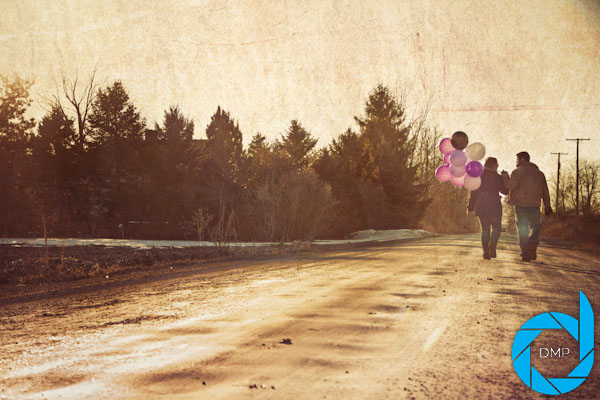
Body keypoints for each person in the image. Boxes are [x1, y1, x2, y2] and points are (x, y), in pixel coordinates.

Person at [501, 152, 552, 261]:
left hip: (520, 205)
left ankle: (525, 252)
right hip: (535, 204)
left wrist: (505, 177)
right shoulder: (540, 174)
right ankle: (532, 242)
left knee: (522, 228)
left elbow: (511, 186)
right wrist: (547, 206)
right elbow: (545, 191)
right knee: (535, 226)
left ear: (523, 159)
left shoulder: (517, 172)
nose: (516, 162)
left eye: (517, 159)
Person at [467, 157, 508, 259]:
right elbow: (505, 191)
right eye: (497, 164)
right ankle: (492, 244)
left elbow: (473, 192)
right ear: (493, 165)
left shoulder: (478, 176)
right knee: (496, 227)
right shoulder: (497, 177)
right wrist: (505, 178)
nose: (498, 166)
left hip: (481, 206)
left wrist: (470, 206)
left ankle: (486, 252)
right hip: (494, 206)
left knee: (485, 229)